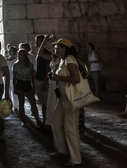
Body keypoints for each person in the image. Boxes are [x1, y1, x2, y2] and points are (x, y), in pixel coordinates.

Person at [48, 38, 82, 167]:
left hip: (70, 98)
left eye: (57, 47)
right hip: (63, 98)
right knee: (56, 122)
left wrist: (58, 77)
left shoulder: (70, 59)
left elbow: (76, 78)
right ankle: (62, 149)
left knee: (70, 128)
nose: (55, 48)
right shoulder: (62, 60)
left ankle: (76, 159)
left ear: (64, 48)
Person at [13, 49, 43, 127]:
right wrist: (14, 87)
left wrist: (33, 86)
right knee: (21, 103)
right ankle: (24, 121)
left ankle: (38, 120)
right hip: (19, 83)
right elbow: (14, 77)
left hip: (27, 83)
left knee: (32, 102)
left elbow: (32, 77)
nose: (18, 56)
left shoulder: (30, 65)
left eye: (20, 54)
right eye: (18, 54)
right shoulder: (15, 65)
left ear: (24, 56)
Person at [34, 35, 52, 126]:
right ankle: (45, 121)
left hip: (43, 80)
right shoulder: (39, 54)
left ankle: (47, 122)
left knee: (46, 103)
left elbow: (47, 69)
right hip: (38, 79)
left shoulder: (46, 53)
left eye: (37, 41)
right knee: (42, 103)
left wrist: (45, 82)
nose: (35, 43)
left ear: (42, 42)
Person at [5, 46, 19, 111]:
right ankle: (8, 105)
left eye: (10, 51)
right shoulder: (6, 59)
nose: (9, 52)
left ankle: (16, 106)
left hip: (13, 77)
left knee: (14, 91)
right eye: (9, 50)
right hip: (6, 77)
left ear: (14, 52)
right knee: (7, 91)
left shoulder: (16, 60)